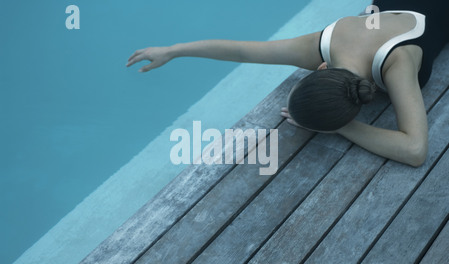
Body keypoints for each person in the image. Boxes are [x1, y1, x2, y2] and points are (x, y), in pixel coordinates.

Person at [126, 0, 449, 167]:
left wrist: (343, 127)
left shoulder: (397, 63)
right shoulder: (324, 43)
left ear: (322, 68)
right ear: (320, 69)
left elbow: (415, 150)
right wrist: (173, 50)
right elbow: (242, 50)